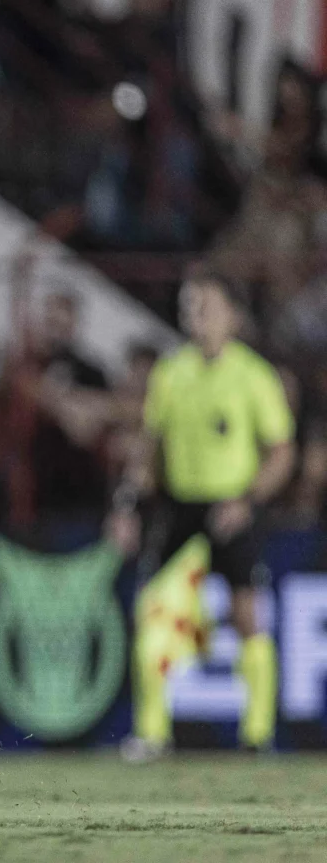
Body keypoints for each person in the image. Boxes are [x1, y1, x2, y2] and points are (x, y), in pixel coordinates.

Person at [107, 272, 294, 760]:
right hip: (180, 507)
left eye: (206, 307)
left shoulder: (254, 375)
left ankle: (257, 734)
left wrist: (248, 501)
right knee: (152, 611)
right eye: (190, 308)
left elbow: (280, 453)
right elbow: (150, 449)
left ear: (232, 315)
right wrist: (127, 505)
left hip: (233, 504)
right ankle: (151, 734)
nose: (197, 317)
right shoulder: (171, 372)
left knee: (246, 615)